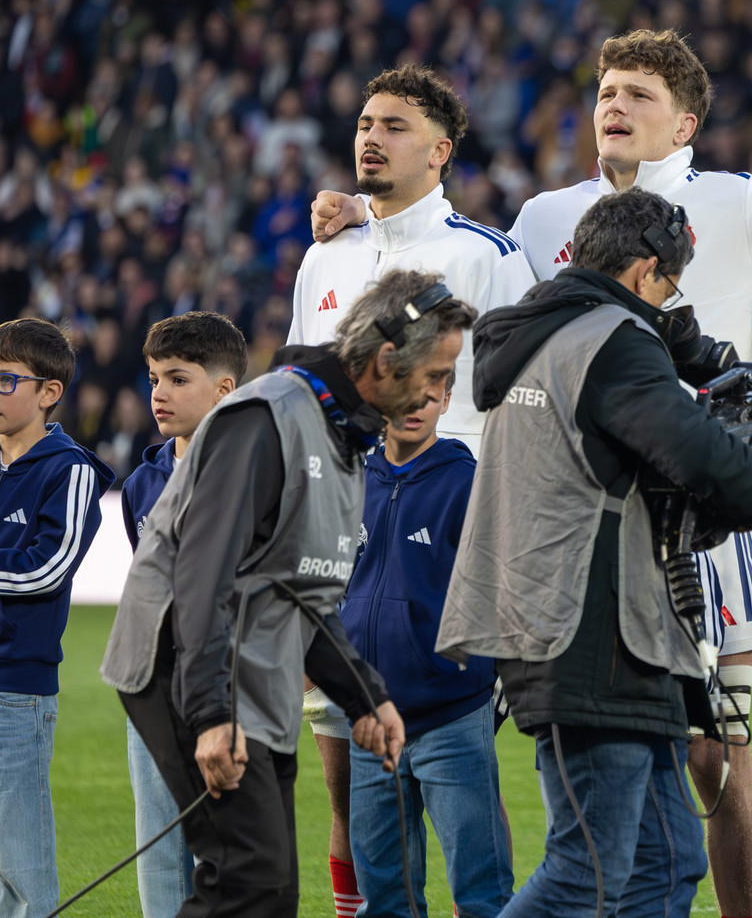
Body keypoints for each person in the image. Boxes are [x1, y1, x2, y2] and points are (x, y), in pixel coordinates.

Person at [312, 29, 752, 918]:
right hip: (613, 569)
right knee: (596, 853)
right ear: (646, 275)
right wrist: (372, 221)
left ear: (688, 125)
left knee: (696, 800)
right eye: (606, 92)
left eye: (639, 94)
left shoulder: (745, 199)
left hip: (617, 562)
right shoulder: (552, 231)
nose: (615, 108)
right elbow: (474, 265)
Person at [435, 188, 752, 917]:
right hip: (594, 628)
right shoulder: (614, 338)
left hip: (581, 623)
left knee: (666, 863)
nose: (669, 306)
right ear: (644, 273)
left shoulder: (542, 332)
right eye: (669, 286)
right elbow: (705, 461)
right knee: (584, 871)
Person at [102, 269, 474, 917]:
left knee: (271, 890)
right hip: (189, 668)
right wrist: (212, 714)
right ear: (387, 360)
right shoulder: (268, 415)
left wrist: (367, 698)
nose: (440, 391)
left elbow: (311, 598)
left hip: (259, 674)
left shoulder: (348, 438)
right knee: (245, 881)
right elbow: (201, 573)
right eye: (437, 374)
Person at [288, 63, 532, 914]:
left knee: (458, 753)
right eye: (363, 121)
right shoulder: (326, 256)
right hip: (342, 537)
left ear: (440, 151)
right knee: (344, 765)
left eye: (393, 125)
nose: (369, 136)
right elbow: (301, 398)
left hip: (449, 541)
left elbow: (523, 404)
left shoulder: (485, 256)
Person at [0, 318, 115, 918]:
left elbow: (43, 572)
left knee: (16, 873)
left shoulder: (71, 471)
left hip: (11, 693)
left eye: (5, 380)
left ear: (49, 393)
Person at [341, 383, 512, 916]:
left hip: (453, 717)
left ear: (446, 395)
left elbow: (505, 594)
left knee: (482, 894)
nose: (414, 406)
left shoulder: (471, 483)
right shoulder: (351, 481)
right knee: (384, 900)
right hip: (369, 722)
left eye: (427, 393)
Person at [125, 311, 249, 918]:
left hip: (230, 692)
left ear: (224, 388)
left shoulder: (259, 472)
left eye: (177, 379)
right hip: (154, 690)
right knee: (158, 851)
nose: (158, 394)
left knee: (229, 856)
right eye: (153, 379)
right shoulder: (142, 483)